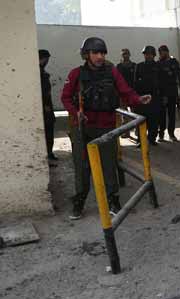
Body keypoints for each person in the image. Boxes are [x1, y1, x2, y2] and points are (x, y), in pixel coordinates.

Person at [61, 37, 152, 220]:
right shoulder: (76, 74)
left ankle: (113, 199)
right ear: (87, 54)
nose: (100, 56)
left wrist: (138, 99)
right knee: (82, 166)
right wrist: (75, 112)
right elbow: (65, 97)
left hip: (106, 126)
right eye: (96, 53)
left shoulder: (112, 72)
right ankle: (80, 200)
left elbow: (125, 91)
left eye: (102, 53)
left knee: (109, 165)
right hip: (82, 128)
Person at [134, 45, 161, 146]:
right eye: (146, 54)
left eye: (150, 54)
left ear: (153, 55)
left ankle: (152, 139)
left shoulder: (158, 66)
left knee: (154, 120)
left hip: (155, 98)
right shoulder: (139, 66)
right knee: (141, 120)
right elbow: (135, 82)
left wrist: (163, 97)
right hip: (142, 97)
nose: (148, 56)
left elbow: (163, 83)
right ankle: (140, 140)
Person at [156, 45, 180, 142]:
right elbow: (157, 80)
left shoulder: (174, 62)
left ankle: (171, 134)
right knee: (161, 115)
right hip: (162, 93)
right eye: (159, 52)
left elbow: (179, 78)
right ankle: (161, 135)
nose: (160, 54)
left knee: (172, 115)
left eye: (161, 52)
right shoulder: (158, 63)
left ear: (166, 52)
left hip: (172, 92)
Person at [39, 49, 57, 161]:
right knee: (48, 131)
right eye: (46, 59)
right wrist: (47, 107)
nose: (47, 61)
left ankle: (49, 153)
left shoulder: (41, 72)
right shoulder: (41, 74)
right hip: (46, 107)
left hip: (46, 106)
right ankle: (48, 153)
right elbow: (44, 93)